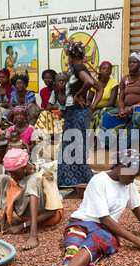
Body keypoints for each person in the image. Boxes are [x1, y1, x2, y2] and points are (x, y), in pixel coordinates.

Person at [0, 148, 64, 251]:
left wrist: (22, 226)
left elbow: (52, 213)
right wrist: (4, 217)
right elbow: (13, 193)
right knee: (1, 179)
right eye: (10, 173)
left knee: (32, 183)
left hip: (47, 217)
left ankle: (33, 235)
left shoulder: (44, 174)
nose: (12, 176)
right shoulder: (18, 174)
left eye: (15, 173)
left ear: (25, 167)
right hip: (26, 214)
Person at [57, 41, 104, 187]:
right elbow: (100, 88)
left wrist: (78, 95)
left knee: (72, 147)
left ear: (70, 55)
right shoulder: (81, 68)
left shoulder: (78, 68)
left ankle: (78, 183)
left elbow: (89, 82)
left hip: (76, 113)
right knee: (76, 147)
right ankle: (79, 183)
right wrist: (92, 108)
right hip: (78, 113)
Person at [101, 52, 140, 149]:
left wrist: (130, 109)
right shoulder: (125, 78)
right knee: (108, 115)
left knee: (137, 117)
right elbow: (121, 98)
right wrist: (122, 109)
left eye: (134, 62)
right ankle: (113, 145)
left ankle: (138, 145)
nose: (131, 64)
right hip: (127, 108)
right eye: (130, 62)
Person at [34, 72, 67, 149]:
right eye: (59, 81)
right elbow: (47, 108)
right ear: (56, 83)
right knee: (44, 113)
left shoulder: (70, 93)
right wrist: (53, 107)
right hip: (57, 117)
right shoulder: (54, 93)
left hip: (67, 118)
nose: (61, 83)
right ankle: (38, 135)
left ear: (67, 83)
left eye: (63, 81)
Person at [87, 61, 119, 138]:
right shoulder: (94, 83)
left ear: (111, 72)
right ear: (100, 70)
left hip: (111, 108)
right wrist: (89, 106)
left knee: (101, 114)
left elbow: (111, 103)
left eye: (109, 69)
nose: (107, 70)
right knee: (89, 115)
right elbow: (89, 99)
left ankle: (97, 139)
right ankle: (89, 138)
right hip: (96, 108)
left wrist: (95, 107)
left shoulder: (114, 83)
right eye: (104, 68)